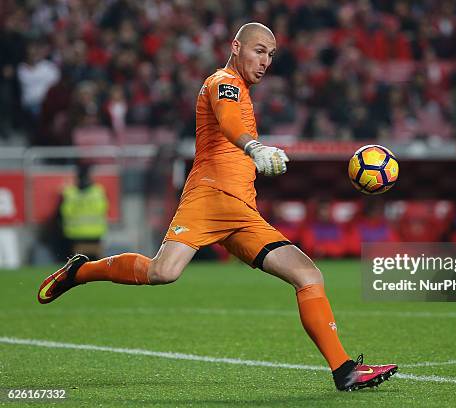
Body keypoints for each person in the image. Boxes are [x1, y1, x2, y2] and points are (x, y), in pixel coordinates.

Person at [37, 22, 397, 392]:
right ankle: (80, 271)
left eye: (271, 55)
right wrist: (254, 148)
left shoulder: (241, 89)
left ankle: (345, 371)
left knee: (308, 276)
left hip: (241, 210)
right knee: (164, 272)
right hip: (210, 198)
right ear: (236, 46)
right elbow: (226, 123)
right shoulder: (222, 81)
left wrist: (255, 156)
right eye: (259, 51)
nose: (266, 61)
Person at [59, 163, 109, 260]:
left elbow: (61, 214)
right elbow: (105, 209)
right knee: (96, 266)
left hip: (74, 236)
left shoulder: (69, 192)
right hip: (96, 235)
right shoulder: (98, 191)